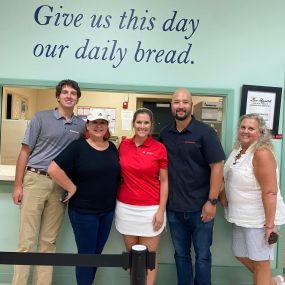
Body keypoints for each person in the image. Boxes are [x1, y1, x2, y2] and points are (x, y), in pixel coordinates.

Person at [11, 79, 85, 285]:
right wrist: (18, 185)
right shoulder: (40, 118)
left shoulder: (81, 125)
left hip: (59, 187)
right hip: (35, 180)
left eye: (73, 93)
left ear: (78, 98)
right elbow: (24, 152)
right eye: (65, 92)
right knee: (26, 242)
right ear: (58, 96)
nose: (69, 96)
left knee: (48, 243)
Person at [159, 88, 225, 285]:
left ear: (191, 105)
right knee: (181, 254)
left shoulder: (205, 132)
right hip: (174, 209)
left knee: (203, 255)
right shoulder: (165, 134)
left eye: (185, 102)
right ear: (172, 105)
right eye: (176, 102)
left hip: (201, 208)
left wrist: (212, 201)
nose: (181, 106)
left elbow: (217, 166)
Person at [48, 108, 121, 285]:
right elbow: (53, 169)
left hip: (107, 211)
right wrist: (71, 187)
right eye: (94, 123)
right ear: (87, 125)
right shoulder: (78, 147)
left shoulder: (111, 147)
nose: (98, 126)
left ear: (107, 126)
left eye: (102, 123)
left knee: (96, 255)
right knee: (86, 255)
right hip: (83, 212)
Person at [220, 114, 285, 285]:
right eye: (243, 127)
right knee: (240, 253)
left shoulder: (261, 153)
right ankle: (274, 283)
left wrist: (270, 226)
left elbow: (270, 192)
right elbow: (228, 178)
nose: (245, 131)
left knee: (261, 263)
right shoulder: (238, 151)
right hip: (241, 217)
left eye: (251, 128)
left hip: (259, 220)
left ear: (260, 132)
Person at [115, 108, 168, 285]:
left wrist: (161, 210)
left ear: (151, 125)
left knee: (149, 258)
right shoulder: (123, 145)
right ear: (133, 124)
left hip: (151, 210)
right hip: (126, 208)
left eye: (146, 123)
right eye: (139, 122)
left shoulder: (159, 148)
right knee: (132, 258)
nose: (142, 126)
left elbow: (165, 182)